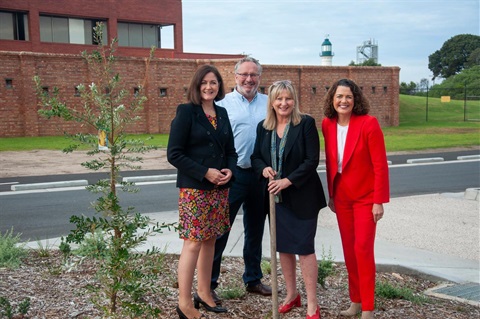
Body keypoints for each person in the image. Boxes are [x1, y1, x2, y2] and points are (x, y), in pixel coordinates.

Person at [251, 80, 327, 319]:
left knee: (304, 249)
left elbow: (311, 161)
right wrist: (263, 169)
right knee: (283, 249)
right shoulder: (264, 128)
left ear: (294, 100)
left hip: (303, 198)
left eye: (288, 98)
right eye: (278, 99)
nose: (283, 103)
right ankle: (292, 295)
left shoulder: (305, 123)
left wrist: (287, 181)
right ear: (271, 102)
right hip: (277, 201)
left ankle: (312, 304)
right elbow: (255, 157)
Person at [167, 64, 237, 319]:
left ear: (219, 86)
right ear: (197, 86)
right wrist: (205, 172)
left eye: (214, 83)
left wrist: (230, 170)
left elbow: (230, 151)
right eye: (205, 82)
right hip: (194, 189)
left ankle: (204, 292)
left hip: (219, 188)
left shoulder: (223, 112)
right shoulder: (187, 112)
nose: (209, 87)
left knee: (211, 240)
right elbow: (174, 154)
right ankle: (184, 302)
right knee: (193, 243)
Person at [321, 78, 390, 319]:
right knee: (349, 252)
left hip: (365, 198)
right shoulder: (327, 124)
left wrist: (378, 200)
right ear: (332, 99)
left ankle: (368, 308)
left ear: (355, 99)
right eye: (339, 96)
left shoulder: (368, 124)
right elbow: (331, 163)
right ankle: (355, 301)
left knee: (362, 249)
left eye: (348, 96)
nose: (343, 101)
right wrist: (331, 194)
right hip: (342, 198)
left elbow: (380, 165)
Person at [211, 57, 272, 303]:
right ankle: (209, 283)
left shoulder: (269, 104)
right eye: (244, 74)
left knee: (255, 229)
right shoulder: (222, 104)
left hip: (260, 175)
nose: (249, 79)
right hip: (232, 175)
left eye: (254, 75)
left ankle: (253, 279)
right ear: (235, 77)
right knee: (220, 230)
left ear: (259, 77)